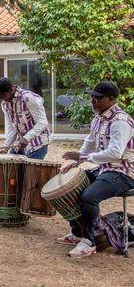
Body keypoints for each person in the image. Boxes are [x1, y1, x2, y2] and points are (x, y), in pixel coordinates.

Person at [57, 81, 134, 258]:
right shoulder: (98, 118)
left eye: (98, 98)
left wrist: (83, 158)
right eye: (92, 97)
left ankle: (89, 242)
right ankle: (77, 234)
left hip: (124, 172)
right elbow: (90, 142)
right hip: (105, 169)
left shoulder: (120, 122)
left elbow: (115, 153)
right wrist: (78, 162)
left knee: (89, 197)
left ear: (111, 99)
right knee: (72, 188)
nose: (93, 100)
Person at [0, 77, 51, 160]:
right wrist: (5, 148)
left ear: (11, 89)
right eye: (0, 97)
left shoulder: (29, 98)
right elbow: (12, 128)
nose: (3, 99)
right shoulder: (4, 104)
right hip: (20, 144)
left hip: (37, 144)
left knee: (30, 172)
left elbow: (42, 122)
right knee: (12, 169)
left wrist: (26, 138)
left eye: (4, 95)